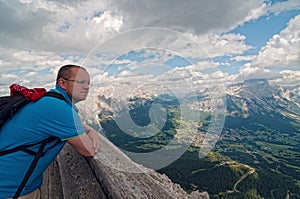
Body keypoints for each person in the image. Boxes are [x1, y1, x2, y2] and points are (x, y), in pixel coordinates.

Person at [0, 64, 100, 199]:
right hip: (11, 191)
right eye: (81, 82)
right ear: (62, 83)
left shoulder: (49, 100)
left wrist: (89, 130)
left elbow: (75, 125)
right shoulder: (59, 109)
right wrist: (93, 133)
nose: (87, 87)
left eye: (88, 83)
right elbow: (88, 150)